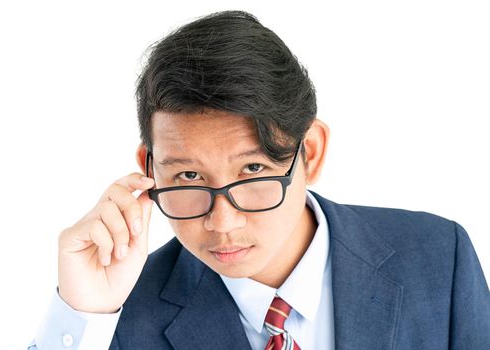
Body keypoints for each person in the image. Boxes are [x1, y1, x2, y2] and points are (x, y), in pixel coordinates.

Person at [30, 10, 490, 350]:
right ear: (149, 170)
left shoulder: (437, 260)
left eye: (252, 172)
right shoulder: (121, 310)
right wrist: (81, 312)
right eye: (189, 177)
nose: (222, 223)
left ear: (309, 151)